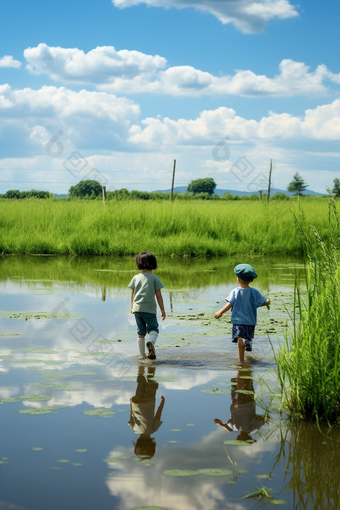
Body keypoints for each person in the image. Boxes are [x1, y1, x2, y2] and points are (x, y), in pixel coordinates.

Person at [214, 263, 270, 362]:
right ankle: (248, 341)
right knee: (247, 337)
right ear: (251, 280)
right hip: (250, 321)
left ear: (238, 279)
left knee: (240, 339)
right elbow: (265, 302)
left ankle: (241, 361)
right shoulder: (254, 292)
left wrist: (220, 312)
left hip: (238, 321)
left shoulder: (235, 291)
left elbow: (230, 303)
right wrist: (267, 301)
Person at [214, 363, 266, 442]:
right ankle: (240, 365)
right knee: (236, 382)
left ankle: (243, 365)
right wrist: (220, 424)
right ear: (239, 437)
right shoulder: (236, 427)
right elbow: (229, 429)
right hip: (236, 400)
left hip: (247, 401)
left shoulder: (253, 428)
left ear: (249, 438)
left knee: (246, 382)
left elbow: (263, 420)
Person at [129, 251, 166, 360]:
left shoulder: (135, 278)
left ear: (138, 263)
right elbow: (159, 296)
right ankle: (151, 342)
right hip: (149, 309)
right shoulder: (155, 278)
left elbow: (132, 294)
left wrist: (132, 307)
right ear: (153, 263)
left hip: (137, 309)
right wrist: (162, 310)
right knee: (153, 328)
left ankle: (141, 356)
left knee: (141, 332)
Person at [128, 365, 165, 459]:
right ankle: (140, 367)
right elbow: (132, 415)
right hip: (137, 403)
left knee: (151, 382)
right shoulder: (134, 429)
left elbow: (158, 414)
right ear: (137, 443)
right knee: (140, 382)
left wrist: (162, 402)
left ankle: (150, 365)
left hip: (149, 401)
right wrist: (131, 402)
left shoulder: (153, 429)